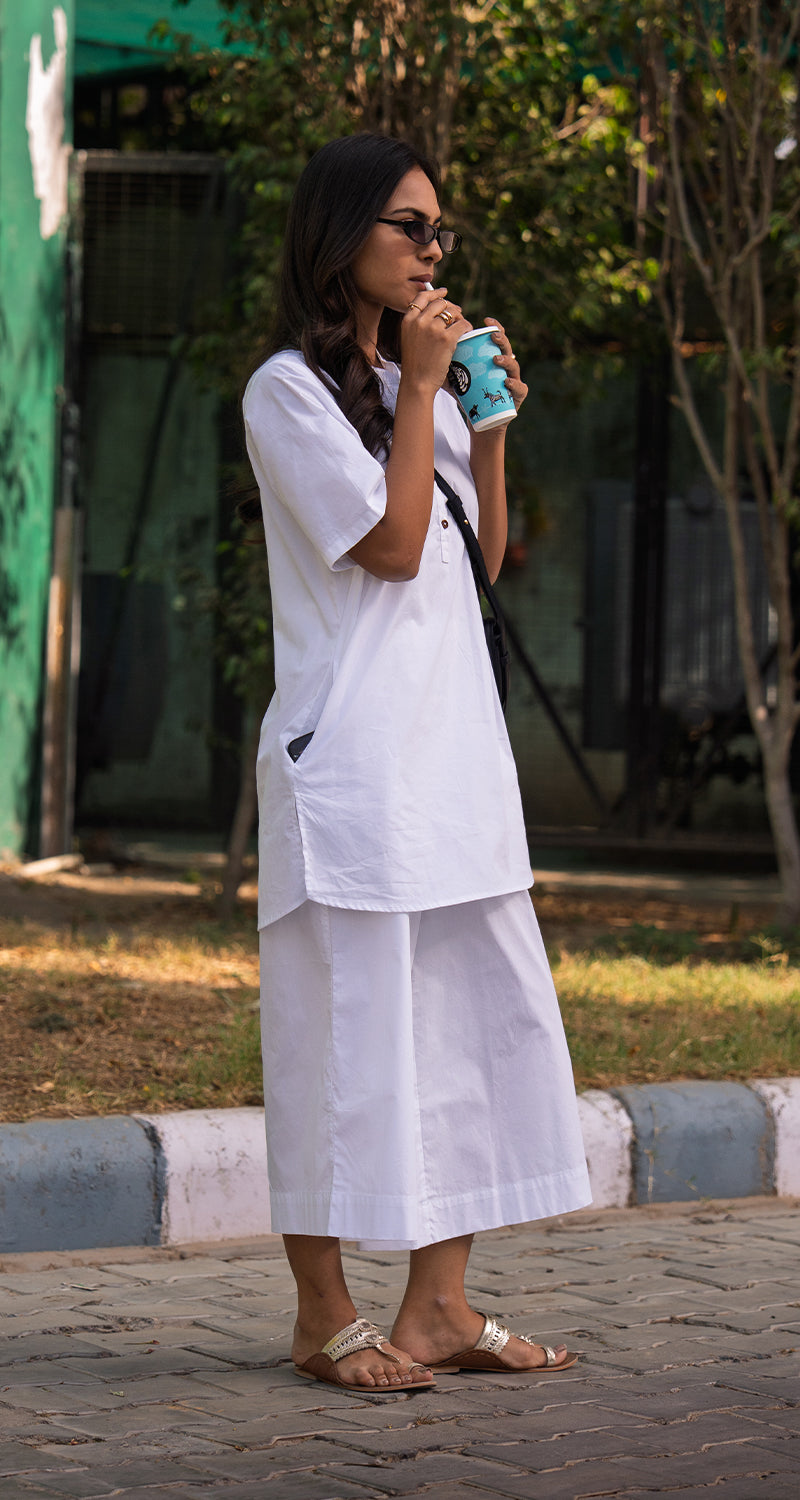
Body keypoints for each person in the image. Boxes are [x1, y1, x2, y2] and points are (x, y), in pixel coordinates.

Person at [242, 133, 591, 1395]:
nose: (430, 249)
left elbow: (471, 559)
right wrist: (424, 391)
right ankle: (320, 1310)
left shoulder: (412, 387)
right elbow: (387, 551)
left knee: (462, 1025)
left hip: (451, 757)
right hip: (357, 767)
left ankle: (437, 1304)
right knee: (339, 1033)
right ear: (341, 238)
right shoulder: (285, 392)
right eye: (408, 226)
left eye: (438, 230)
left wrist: (481, 424)